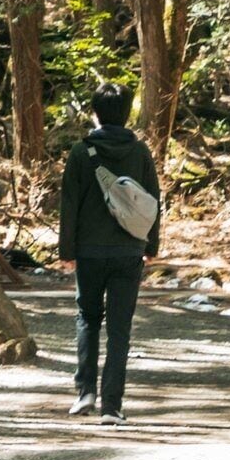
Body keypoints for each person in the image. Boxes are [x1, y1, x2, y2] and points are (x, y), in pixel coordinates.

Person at [55, 85, 159, 421]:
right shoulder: (140, 152)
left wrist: (66, 250)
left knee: (87, 319)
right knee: (119, 327)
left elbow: (69, 204)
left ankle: (85, 393)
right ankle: (112, 405)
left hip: (89, 251)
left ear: (95, 112)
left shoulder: (80, 152)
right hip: (129, 250)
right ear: (127, 112)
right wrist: (152, 245)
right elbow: (153, 201)